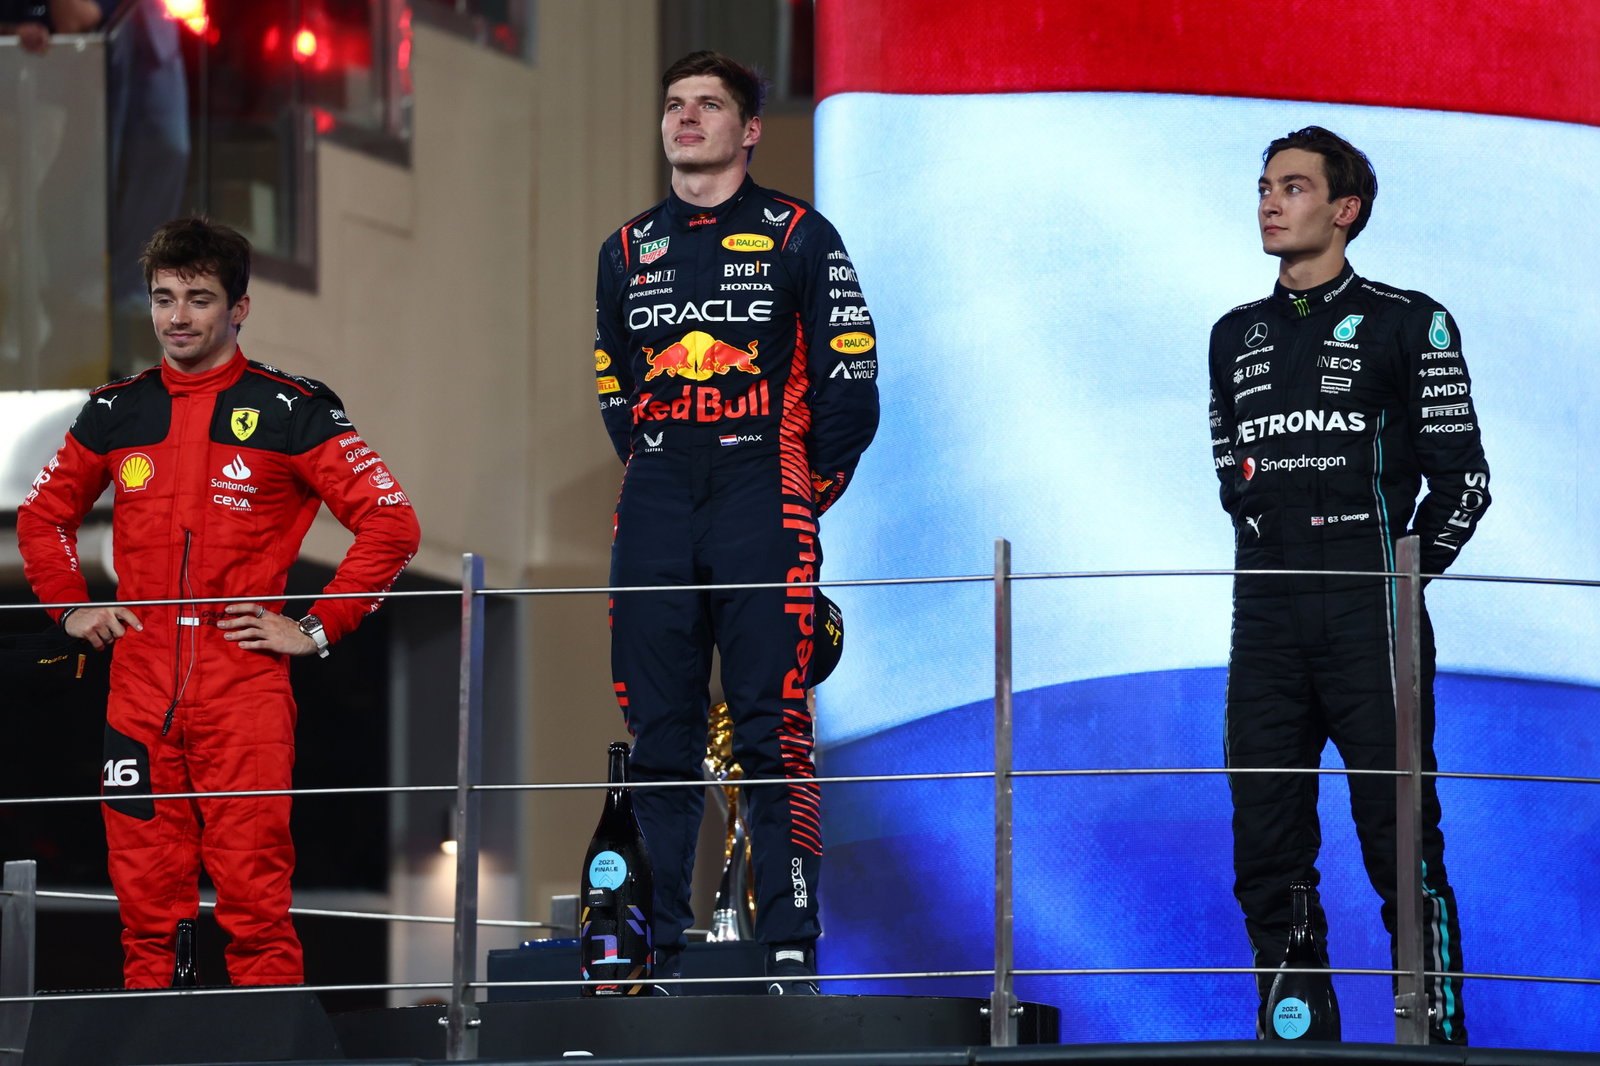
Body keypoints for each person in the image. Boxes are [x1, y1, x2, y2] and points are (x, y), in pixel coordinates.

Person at [16, 217, 421, 987]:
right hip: (137, 685)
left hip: (243, 682)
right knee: (142, 900)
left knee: (254, 898)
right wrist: (69, 608)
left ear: (239, 308)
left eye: (198, 298)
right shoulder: (116, 411)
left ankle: (264, 1044)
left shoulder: (291, 408)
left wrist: (314, 628)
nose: (177, 317)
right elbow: (42, 517)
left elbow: (392, 523)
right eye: (163, 298)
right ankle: (151, 1041)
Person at [592, 51, 879, 995]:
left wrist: (798, 489)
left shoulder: (801, 234)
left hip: (765, 491)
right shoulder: (626, 249)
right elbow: (614, 388)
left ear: (749, 129)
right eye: (674, 104)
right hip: (660, 500)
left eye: (708, 106)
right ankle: (655, 945)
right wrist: (662, 465)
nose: (686, 119)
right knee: (660, 737)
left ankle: (791, 940)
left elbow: (853, 387)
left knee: (770, 725)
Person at [1208, 127, 1488, 1043]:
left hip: (1373, 611)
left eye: (1292, 187)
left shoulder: (1413, 320)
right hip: (1267, 613)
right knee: (1267, 834)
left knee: (1400, 832)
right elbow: (1230, 475)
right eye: (1263, 187)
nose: (1269, 202)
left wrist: (1400, 584)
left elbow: (1464, 482)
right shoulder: (1232, 335)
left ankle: (1435, 1025)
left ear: (1344, 210)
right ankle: (1297, 1029)